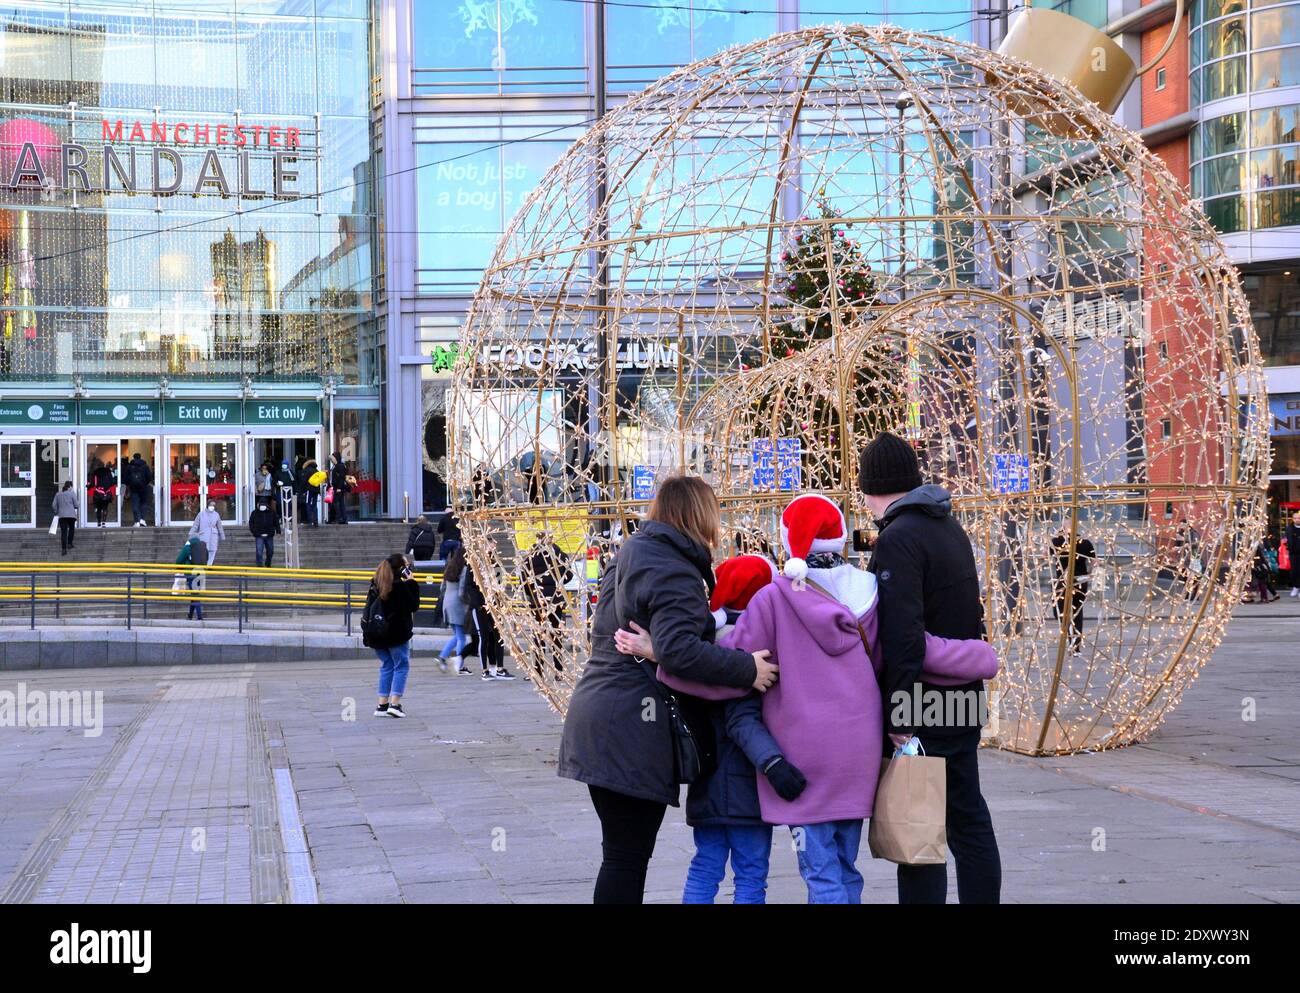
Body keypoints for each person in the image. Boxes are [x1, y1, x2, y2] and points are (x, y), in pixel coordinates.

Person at [622, 497, 998, 904]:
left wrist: (666, 663)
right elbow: (910, 649)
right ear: (839, 538)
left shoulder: (771, 600)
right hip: (859, 752)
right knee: (846, 868)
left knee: (820, 875)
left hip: (801, 759)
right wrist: (980, 657)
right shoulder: (870, 593)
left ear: (788, 540)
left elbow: (733, 673)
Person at [557, 475, 777, 905]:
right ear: (699, 515)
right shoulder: (672, 567)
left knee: (619, 856)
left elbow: (653, 643)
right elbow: (679, 650)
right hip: (631, 728)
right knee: (626, 859)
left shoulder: (632, 555)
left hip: (601, 715)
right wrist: (746, 668)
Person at [859, 431, 1001, 905]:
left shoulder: (898, 538)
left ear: (872, 488)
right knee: (968, 818)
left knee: (920, 826)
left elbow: (902, 638)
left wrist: (899, 716)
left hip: (922, 703)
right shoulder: (947, 526)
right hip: (962, 698)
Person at [365, 553, 421, 718]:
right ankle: (395, 704)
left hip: (376, 634)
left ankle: (382, 705)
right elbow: (413, 605)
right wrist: (412, 582)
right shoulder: (399, 586)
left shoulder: (376, 584)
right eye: (406, 566)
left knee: (387, 665)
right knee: (401, 665)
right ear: (401, 569)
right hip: (396, 634)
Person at [520, 531, 573, 680]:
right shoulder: (560, 554)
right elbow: (569, 575)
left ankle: (538, 671)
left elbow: (523, 578)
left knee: (538, 635)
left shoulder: (532, 555)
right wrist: (558, 584)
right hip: (556, 598)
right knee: (556, 635)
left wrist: (532, 590)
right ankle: (559, 671)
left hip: (538, 599)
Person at [462, 557, 513, 680]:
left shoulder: (495, 563)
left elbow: (500, 583)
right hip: (480, 606)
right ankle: (485, 670)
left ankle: (500, 668)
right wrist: (479, 603)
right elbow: (469, 586)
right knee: (483, 637)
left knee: (498, 636)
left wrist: (499, 600)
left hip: (494, 605)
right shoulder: (474, 564)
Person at [1050, 522, 1095, 654]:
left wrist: (1056, 534)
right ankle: (1075, 646)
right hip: (1081, 581)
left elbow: (1044, 555)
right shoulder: (1085, 542)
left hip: (1062, 582)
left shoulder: (1057, 541)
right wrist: (1090, 574)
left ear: (1063, 528)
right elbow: (1094, 561)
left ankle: (1069, 636)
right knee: (1077, 613)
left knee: (1060, 611)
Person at [439, 546, 470, 674]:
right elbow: (462, 592)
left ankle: (443, 657)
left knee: (458, 635)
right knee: (461, 637)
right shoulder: (464, 569)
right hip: (458, 605)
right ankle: (459, 665)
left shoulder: (449, 569)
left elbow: (442, 588)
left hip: (447, 604)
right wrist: (469, 602)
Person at [176, 535, 208, 621]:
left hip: (191, 574)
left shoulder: (187, 547)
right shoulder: (202, 547)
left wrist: (182, 566)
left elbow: (178, 560)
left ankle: (199, 616)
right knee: (194, 594)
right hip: (201, 573)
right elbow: (206, 559)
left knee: (195, 594)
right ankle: (190, 615)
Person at [189, 501, 226, 565]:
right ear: (208, 505)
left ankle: (209, 564)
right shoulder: (201, 514)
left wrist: (222, 536)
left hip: (213, 535)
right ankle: (204, 563)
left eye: (214, 505)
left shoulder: (216, 515)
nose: (212, 507)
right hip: (204, 535)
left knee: (213, 550)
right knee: (204, 550)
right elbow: (196, 525)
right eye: (211, 505)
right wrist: (191, 533)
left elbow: (219, 526)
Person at [123, 452, 153, 527]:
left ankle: (137, 521)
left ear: (133, 457)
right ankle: (142, 520)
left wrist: (130, 484)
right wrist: (144, 483)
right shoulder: (145, 466)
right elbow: (149, 477)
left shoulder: (129, 467)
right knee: (143, 503)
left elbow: (126, 478)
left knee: (135, 504)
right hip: (143, 488)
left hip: (134, 488)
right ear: (140, 457)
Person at [249, 499, 280, 568]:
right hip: (259, 535)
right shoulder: (254, 513)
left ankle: (268, 563)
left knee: (270, 551)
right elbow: (251, 523)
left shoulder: (272, 512)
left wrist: (278, 531)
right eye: (261, 505)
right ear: (258, 505)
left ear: (267, 505)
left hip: (269, 535)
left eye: (264, 505)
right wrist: (254, 532)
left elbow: (276, 522)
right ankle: (259, 565)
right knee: (259, 552)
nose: (262, 506)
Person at [52, 481, 78, 556]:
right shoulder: (72, 494)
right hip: (71, 516)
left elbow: (53, 505)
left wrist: (56, 511)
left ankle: (64, 549)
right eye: (71, 487)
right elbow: (76, 504)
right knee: (71, 529)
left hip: (62, 516)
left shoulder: (58, 494)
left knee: (64, 532)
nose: (72, 488)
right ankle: (69, 544)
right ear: (69, 487)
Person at [90, 460, 115, 527]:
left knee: (98, 509)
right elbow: (112, 482)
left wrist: (89, 486)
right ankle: (104, 523)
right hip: (106, 493)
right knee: (105, 508)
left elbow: (93, 484)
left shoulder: (95, 473)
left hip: (98, 493)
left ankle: (99, 523)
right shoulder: (108, 472)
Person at [329, 451, 351, 525]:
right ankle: (343, 519)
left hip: (338, 488)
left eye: (333, 459)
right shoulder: (336, 466)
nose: (332, 461)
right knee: (340, 503)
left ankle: (340, 518)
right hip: (337, 487)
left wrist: (339, 488)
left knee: (337, 503)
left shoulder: (340, 466)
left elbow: (341, 478)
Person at [1286, 511, 1300, 597]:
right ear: (1292, 519)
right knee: (1294, 571)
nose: (1297, 520)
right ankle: (1296, 586)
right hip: (1293, 553)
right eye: (1295, 518)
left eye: (1298, 518)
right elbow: (1287, 539)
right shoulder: (1289, 528)